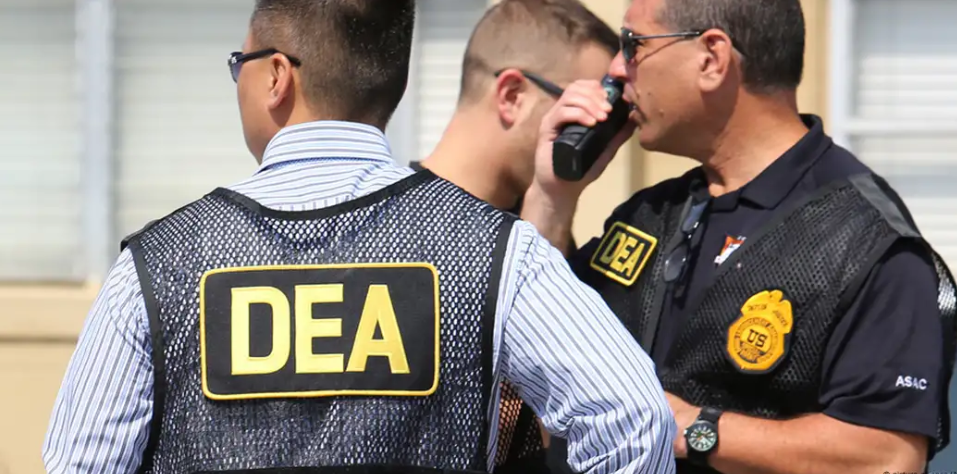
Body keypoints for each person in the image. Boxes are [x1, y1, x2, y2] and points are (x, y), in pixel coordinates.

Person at [41, 1, 677, 473]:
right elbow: (631, 418)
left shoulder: (160, 265)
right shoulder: (494, 251)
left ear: (276, 77)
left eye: (241, 64)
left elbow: (80, 462)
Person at [521, 0, 957, 473]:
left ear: (712, 58)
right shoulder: (650, 213)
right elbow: (529, 352)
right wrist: (551, 196)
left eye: (633, 45)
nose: (615, 70)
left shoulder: (866, 239)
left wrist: (690, 428)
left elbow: (887, 458)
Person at [409, 1, 618, 471]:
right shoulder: (390, 238)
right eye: (585, 114)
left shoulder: (550, 240)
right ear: (512, 96)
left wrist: (554, 203)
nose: (598, 140)